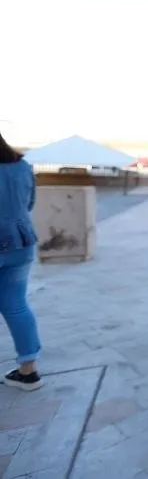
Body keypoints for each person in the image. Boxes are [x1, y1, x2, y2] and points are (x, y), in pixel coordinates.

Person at [0, 132, 43, 391]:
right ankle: (29, 372)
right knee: (16, 306)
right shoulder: (22, 166)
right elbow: (29, 203)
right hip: (20, 242)